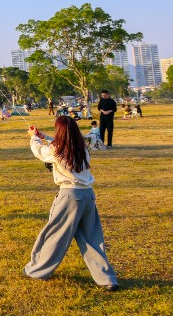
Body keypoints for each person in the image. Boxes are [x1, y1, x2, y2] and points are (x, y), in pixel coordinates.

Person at [24, 117, 118, 290]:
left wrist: (34, 137)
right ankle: (107, 279)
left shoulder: (57, 148)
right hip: (88, 196)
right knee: (92, 239)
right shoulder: (82, 147)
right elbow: (62, 145)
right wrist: (44, 136)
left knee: (55, 236)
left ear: (59, 131)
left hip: (70, 197)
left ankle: (37, 270)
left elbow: (40, 152)